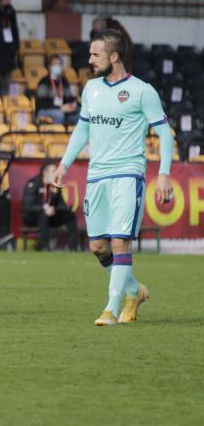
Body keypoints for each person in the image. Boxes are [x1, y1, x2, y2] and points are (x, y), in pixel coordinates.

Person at [53, 28, 173, 326]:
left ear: (114, 56)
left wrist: (164, 175)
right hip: (97, 176)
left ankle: (111, 309)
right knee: (98, 247)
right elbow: (83, 129)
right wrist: (64, 164)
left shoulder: (142, 91)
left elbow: (165, 134)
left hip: (127, 175)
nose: (89, 59)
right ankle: (135, 291)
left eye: (95, 54)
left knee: (120, 243)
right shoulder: (91, 89)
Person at [21, 161, 78, 251]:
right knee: (43, 215)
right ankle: (44, 247)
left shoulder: (55, 186)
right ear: (45, 172)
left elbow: (61, 205)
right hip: (32, 217)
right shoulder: (33, 184)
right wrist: (44, 209)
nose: (56, 173)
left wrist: (55, 209)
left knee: (70, 215)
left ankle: (73, 247)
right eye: (53, 171)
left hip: (50, 216)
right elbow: (28, 206)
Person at [35, 54, 78, 125]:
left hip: (62, 109)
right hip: (45, 109)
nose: (57, 66)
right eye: (54, 64)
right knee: (59, 114)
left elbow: (69, 97)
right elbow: (42, 103)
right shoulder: (44, 82)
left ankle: (76, 135)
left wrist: (73, 103)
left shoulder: (64, 81)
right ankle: (58, 135)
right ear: (49, 67)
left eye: (59, 64)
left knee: (79, 114)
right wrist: (60, 108)